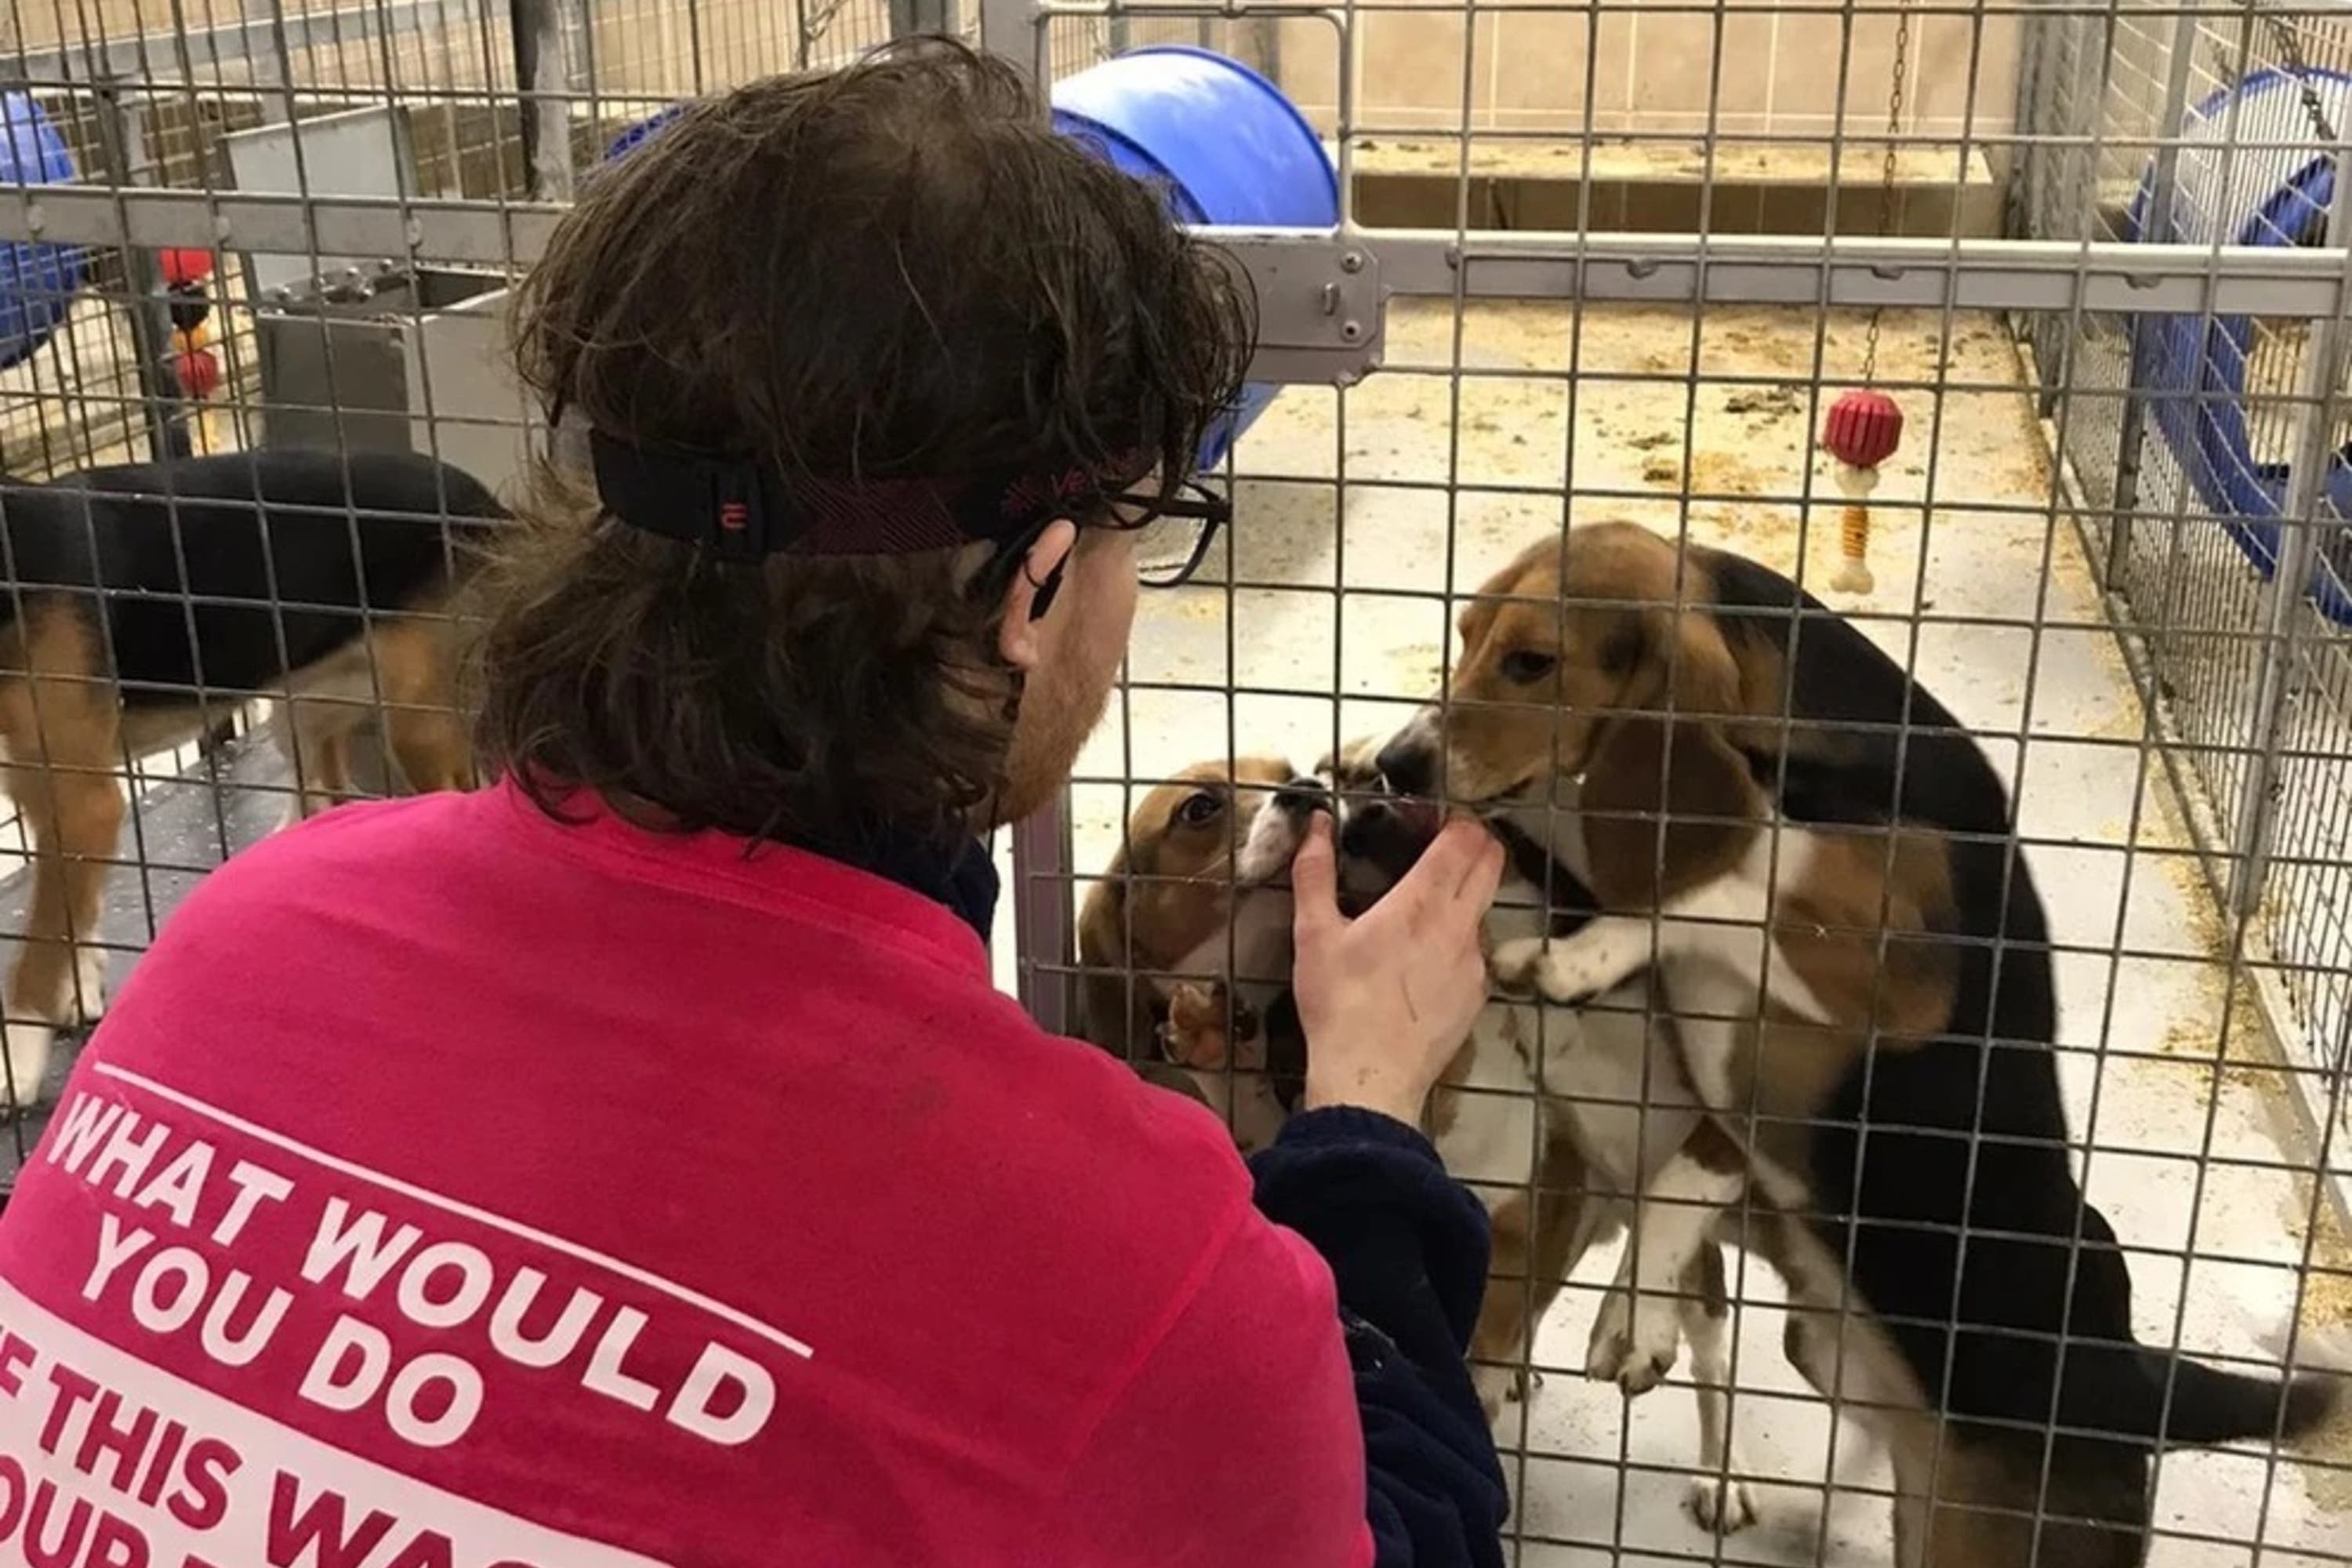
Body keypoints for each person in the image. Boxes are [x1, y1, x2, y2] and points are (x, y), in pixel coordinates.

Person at [0, 41, 1510, 1567]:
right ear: (1035, 592)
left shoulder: (242, 935)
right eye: (1141, 534)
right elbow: (1412, 1529)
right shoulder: (1135, 1265)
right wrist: (1368, 1128)